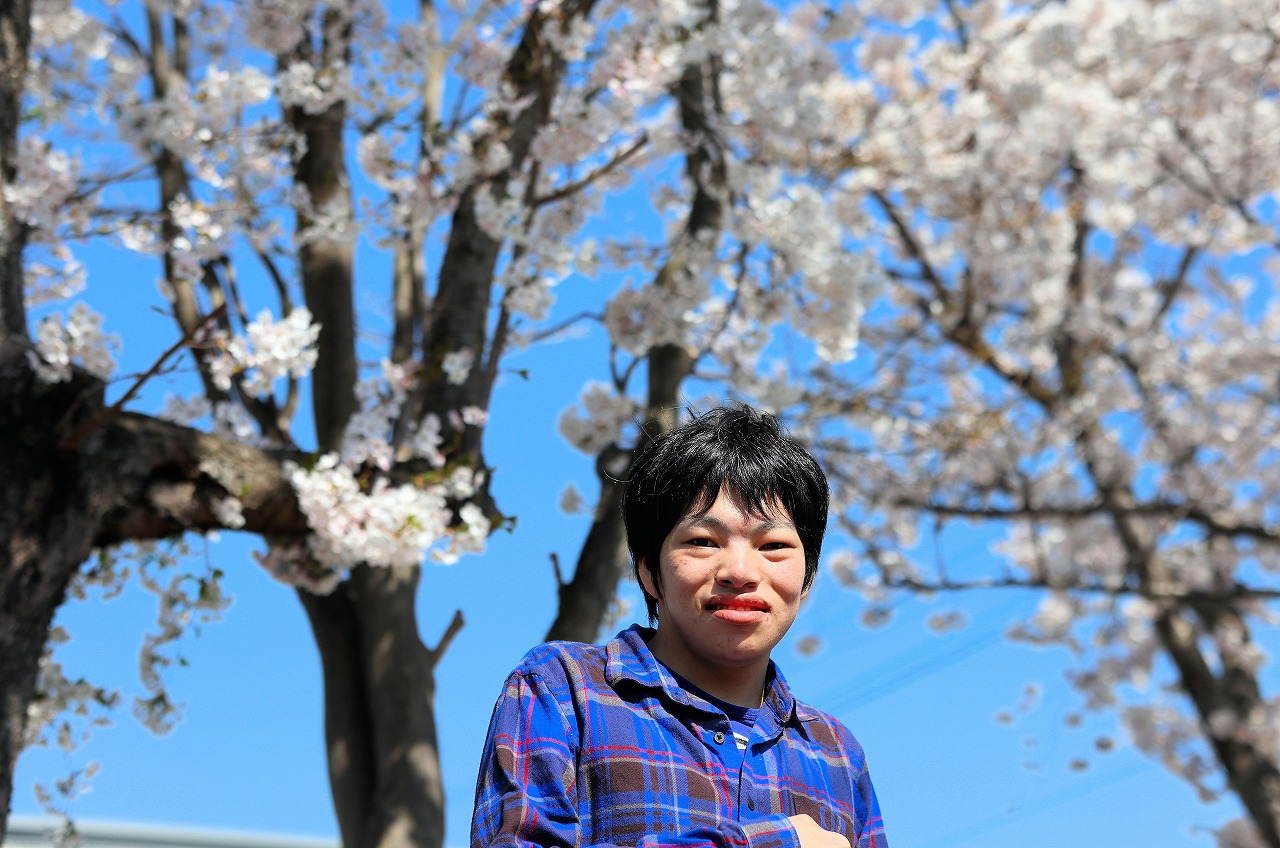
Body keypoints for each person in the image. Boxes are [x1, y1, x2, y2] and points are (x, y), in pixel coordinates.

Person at [470, 405, 888, 848]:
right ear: (650, 571)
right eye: (703, 542)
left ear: (805, 579)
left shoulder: (837, 753)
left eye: (774, 545)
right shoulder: (564, 689)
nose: (741, 571)